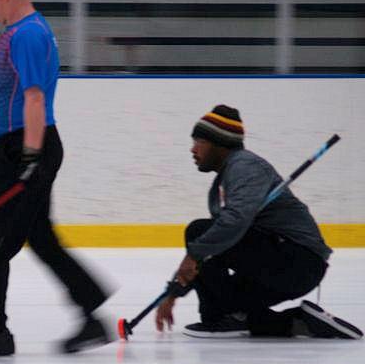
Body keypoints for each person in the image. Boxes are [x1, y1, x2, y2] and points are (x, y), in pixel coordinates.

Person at [0, 0, 113, 357]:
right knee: (38, 238)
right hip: (19, 145)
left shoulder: (27, 35)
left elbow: (36, 97)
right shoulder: (22, 31)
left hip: (29, 148)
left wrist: (30, 155)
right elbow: (18, 97)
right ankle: (91, 307)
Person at [155, 105, 362, 339]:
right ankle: (299, 321)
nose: (193, 150)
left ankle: (224, 319)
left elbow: (231, 224)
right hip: (282, 264)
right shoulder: (226, 179)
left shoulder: (246, 167)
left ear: (220, 143)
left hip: (298, 261)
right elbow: (213, 247)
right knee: (226, 311)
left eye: (199, 141)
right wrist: (173, 291)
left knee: (198, 231)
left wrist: (192, 256)